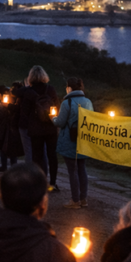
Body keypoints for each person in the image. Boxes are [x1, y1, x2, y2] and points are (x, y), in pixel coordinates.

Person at [14, 65, 60, 191]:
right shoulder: (50, 89)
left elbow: (25, 112)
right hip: (50, 128)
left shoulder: (28, 91)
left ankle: (38, 183)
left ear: (31, 77)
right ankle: (53, 183)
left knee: (37, 157)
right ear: (44, 76)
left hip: (35, 129)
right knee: (52, 156)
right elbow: (57, 106)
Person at [53, 77, 93, 208]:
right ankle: (83, 199)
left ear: (69, 88)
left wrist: (52, 119)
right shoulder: (88, 102)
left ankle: (74, 201)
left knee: (72, 171)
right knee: (82, 169)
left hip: (69, 141)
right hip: (83, 140)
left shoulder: (67, 103)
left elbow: (60, 122)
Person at [0, 85, 17, 172]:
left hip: (4, 130)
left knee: (3, 147)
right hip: (13, 130)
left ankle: (4, 166)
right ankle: (13, 166)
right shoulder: (14, 102)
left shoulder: (1, 105)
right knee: (12, 148)